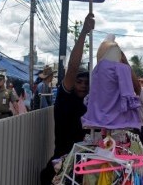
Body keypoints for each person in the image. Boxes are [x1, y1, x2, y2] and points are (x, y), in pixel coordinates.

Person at [40, 13, 94, 185]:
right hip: (61, 167)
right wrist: (84, 32)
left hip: (83, 168)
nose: (83, 85)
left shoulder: (91, 105)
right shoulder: (65, 98)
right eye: (79, 81)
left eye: (87, 82)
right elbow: (72, 68)